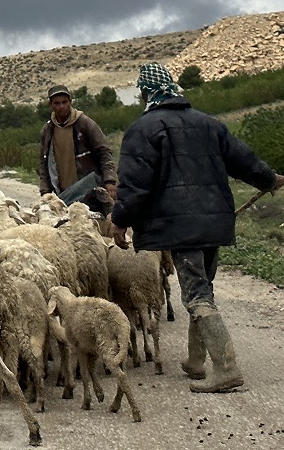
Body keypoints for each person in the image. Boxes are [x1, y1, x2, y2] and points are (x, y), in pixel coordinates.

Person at [110, 63, 284, 393]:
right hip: (214, 222)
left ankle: (227, 367)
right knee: (203, 289)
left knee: (196, 295)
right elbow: (244, 159)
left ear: (146, 92)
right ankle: (195, 361)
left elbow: (135, 185)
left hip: (180, 227)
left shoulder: (144, 129)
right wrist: (268, 178)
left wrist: (119, 220)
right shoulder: (208, 124)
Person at [39, 84, 117, 204]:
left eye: (64, 102)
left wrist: (110, 180)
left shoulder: (85, 124)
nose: (61, 107)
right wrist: (45, 192)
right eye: (57, 103)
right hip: (64, 194)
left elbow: (104, 152)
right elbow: (44, 163)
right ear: (51, 105)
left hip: (88, 190)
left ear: (70, 102)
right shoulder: (48, 130)